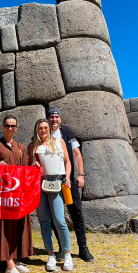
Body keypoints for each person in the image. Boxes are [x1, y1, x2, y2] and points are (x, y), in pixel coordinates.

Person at [0, 115, 33, 273]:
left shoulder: (19, 146)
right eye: (7, 125)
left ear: (16, 128)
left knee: (18, 226)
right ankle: (9, 265)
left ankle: (16, 258)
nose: (10, 128)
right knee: (5, 227)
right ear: (3, 127)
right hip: (3, 197)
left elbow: (26, 170)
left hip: (18, 195)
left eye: (13, 126)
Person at [47, 107, 94, 262]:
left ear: (60, 119)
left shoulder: (68, 133)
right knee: (55, 215)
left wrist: (80, 175)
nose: (54, 119)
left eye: (56, 117)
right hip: (51, 181)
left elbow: (76, 154)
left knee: (76, 213)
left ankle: (83, 248)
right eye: (51, 117)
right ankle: (61, 248)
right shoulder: (44, 133)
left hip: (69, 180)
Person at [28, 119, 73, 272]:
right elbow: (32, 166)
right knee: (44, 221)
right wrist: (33, 165)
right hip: (41, 184)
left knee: (59, 220)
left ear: (49, 128)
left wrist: (67, 177)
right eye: (40, 128)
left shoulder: (59, 142)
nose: (43, 130)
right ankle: (50, 254)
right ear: (37, 130)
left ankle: (67, 253)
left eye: (46, 127)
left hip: (57, 182)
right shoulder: (33, 147)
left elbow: (67, 162)